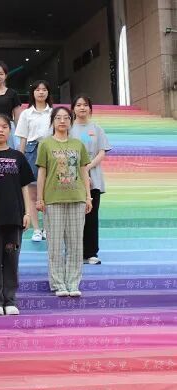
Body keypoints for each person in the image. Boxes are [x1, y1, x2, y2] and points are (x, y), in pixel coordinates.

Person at [0, 114, 35, 316]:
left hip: (14, 217)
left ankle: (10, 300)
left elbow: (25, 187)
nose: (0, 130)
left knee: (12, 259)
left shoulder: (18, 157)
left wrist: (27, 213)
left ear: (10, 130)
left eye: (4, 127)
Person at [36, 106, 92, 298]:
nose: (62, 121)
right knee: (54, 245)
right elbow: (42, 173)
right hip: (53, 200)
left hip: (77, 198)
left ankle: (73, 283)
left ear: (71, 121)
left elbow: (83, 171)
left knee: (75, 244)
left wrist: (88, 196)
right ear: (52, 121)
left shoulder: (78, 144)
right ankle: (58, 283)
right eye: (58, 118)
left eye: (66, 118)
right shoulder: (45, 144)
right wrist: (40, 198)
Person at [69, 95, 111, 265]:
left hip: (94, 176)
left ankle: (91, 253)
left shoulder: (97, 129)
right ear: (73, 108)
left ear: (90, 108)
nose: (82, 108)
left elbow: (102, 152)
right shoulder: (68, 128)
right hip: (71, 177)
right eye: (78, 105)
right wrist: (80, 170)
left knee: (91, 217)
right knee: (73, 217)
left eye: (85, 105)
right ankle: (75, 252)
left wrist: (87, 167)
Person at [15, 80, 53, 242]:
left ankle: (47, 227)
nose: (41, 92)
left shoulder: (54, 112)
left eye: (44, 89)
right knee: (32, 193)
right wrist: (20, 160)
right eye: (37, 89)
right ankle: (36, 229)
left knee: (49, 192)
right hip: (31, 151)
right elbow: (23, 138)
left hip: (51, 150)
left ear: (48, 93)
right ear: (33, 93)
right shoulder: (26, 113)